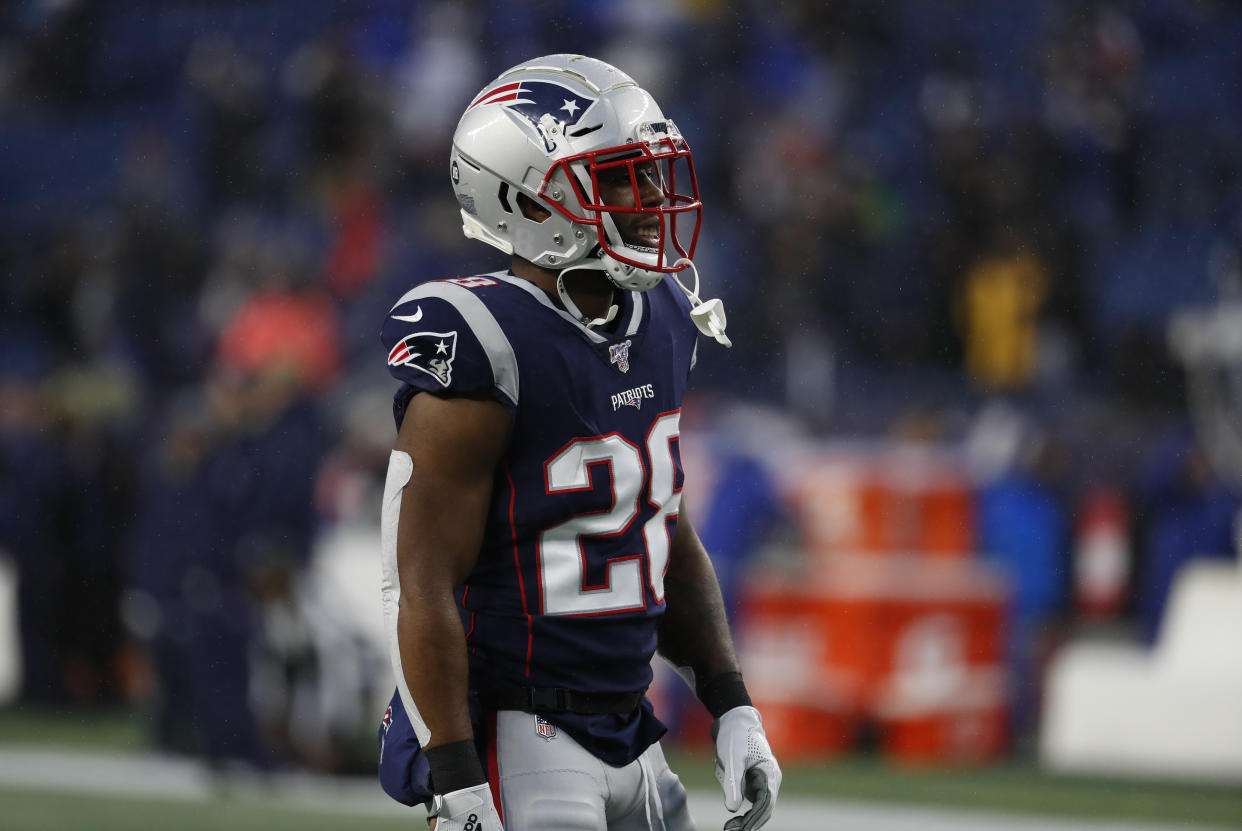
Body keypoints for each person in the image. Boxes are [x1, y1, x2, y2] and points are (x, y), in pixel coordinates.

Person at [375, 54, 781, 830]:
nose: (656, 196)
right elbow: (416, 584)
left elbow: (660, 525)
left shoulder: (661, 316)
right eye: (625, 175)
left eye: (652, 171)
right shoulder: (487, 343)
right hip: (525, 739)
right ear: (529, 197)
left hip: (635, 733)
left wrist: (732, 705)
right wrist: (456, 779)